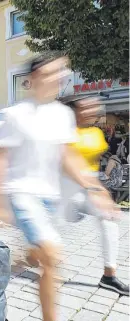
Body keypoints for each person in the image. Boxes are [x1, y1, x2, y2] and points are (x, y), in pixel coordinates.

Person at [0, 55, 118, 321]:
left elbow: (69, 157)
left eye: (60, 73)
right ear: (32, 80)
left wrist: (95, 189)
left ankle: (23, 259)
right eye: (50, 73)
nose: (58, 78)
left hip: (51, 197)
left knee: (42, 255)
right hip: (21, 193)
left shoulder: (62, 115)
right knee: (52, 257)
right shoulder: (14, 115)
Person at [58, 96, 128, 295]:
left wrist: (100, 189)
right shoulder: (64, 132)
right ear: (75, 110)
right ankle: (27, 258)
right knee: (52, 233)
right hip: (64, 187)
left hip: (88, 185)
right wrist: (94, 189)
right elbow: (67, 163)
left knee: (108, 220)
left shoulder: (96, 134)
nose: (92, 111)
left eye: (94, 108)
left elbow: (93, 167)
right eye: (86, 108)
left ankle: (109, 276)